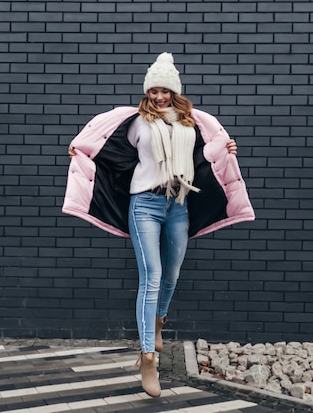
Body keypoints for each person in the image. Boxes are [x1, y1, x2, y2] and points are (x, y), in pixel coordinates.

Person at [62, 53, 255, 397]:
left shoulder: (190, 123)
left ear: (175, 92)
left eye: (165, 91)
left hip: (178, 204)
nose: (159, 97)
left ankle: (158, 321)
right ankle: (147, 357)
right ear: (147, 92)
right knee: (150, 277)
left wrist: (227, 148)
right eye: (154, 91)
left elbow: (205, 156)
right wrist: (80, 151)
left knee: (172, 275)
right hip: (144, 205)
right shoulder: (136, 122)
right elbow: (106, 151)